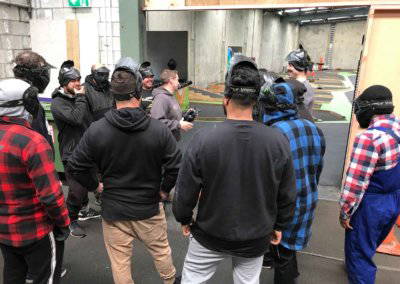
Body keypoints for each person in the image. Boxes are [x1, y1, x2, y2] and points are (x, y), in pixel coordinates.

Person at [173, 55, 296, 284]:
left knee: (192, 279)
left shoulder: (203, 139)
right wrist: (280, 225)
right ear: (257, 100)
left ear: (225, 98)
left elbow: (186, 187)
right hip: (256, 236)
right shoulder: (277, 141)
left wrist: (183, 218)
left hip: (210, 232)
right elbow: (287, 192)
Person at [67, 57, 182, 284]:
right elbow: (175, 165)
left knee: (120, 264)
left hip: (114, 211)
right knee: (161, 253)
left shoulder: (97, 130)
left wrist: (95, 186)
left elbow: (76, 166)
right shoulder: (158, 130)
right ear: (139, 91)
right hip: (148, 208)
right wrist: (164, 190)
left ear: (113, 94)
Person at [0, 54, 70, 284]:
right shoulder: (30, 141)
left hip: (5, 230)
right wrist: (63, 223)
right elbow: (50, 195)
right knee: (43, 277)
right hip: (35, 227)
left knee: (13, 274)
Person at [260, 79, 325, 283]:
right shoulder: (312, 127)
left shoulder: (272, 134)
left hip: (283, 207)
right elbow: (318, 168)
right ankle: (293, 273)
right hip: (308, 199)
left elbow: (269, 181)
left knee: (281, 256)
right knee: (289, 249)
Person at [339, 85, 400, 284]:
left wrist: (345, 211)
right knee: (370, 244)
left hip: (371, 204)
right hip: (394, 198)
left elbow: (356, 182)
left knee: (359, 254)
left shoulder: (369, 137)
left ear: (370, 109)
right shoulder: (397, 126)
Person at [50, 60, 99, 238]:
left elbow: (88, 119)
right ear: (64, 83)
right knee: (77, 189)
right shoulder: (58, 103)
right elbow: (77, 118)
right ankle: (69, 220)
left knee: (89, 181)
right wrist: (80, 97)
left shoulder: (79, 97)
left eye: (78, 79)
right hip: (71, 152)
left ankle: (84, 210)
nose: (78, 83)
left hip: (87, 148)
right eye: (73, 81)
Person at [151, 69, 193, 141]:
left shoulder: (170, 95)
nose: (178, 83)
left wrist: (185, 114)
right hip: (164, 143)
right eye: (177, 80)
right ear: (171, 80)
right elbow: (156, 122)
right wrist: (178, 125)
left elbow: (171, 113)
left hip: (171, 141)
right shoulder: (161, 98)